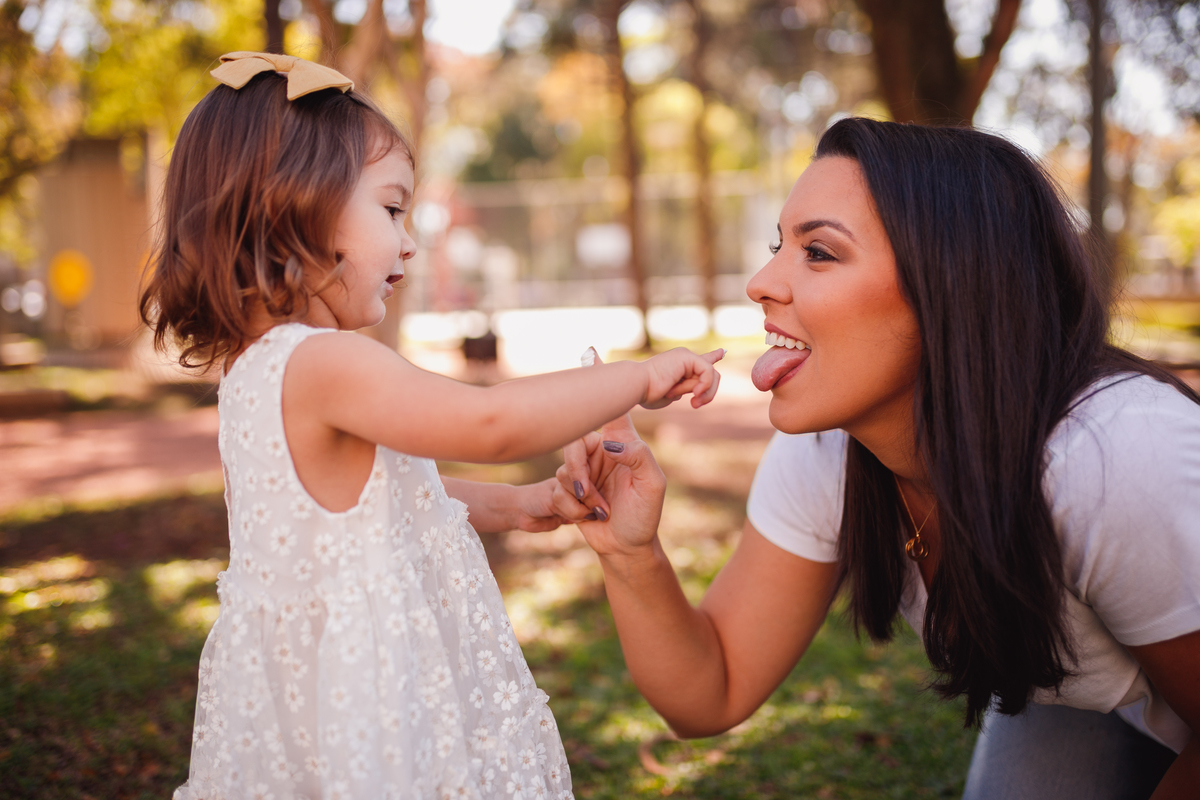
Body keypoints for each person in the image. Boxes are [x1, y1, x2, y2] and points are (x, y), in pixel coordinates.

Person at [552, 118, 1200, 799]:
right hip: (1092, 706)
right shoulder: (827, 453)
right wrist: (631, 553)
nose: (761, 282)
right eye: (778, 246)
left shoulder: (1117, 457)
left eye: (819, 252)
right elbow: (710, 691)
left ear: (951, 285)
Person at [139, 52, 724, 800]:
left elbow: (384, 499)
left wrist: (524, 504)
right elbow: (489, 421)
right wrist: (639, 377)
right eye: (391, 210)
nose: (410, 241)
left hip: (310, 706)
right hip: (372, 699)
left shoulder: (255, 370)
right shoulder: (322, 362)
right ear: (296, 206)